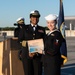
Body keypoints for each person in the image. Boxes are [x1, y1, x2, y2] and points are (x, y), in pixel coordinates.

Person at [18, 10, 46, 75]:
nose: (35, 19)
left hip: (38, 57)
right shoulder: (24, 28)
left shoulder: (42, 29)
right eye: (33, 17)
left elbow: (44, 42)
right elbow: (19, 41)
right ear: (30, 18)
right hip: (27, 56)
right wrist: (29, 46)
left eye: (37, 17)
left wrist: (35, 51)